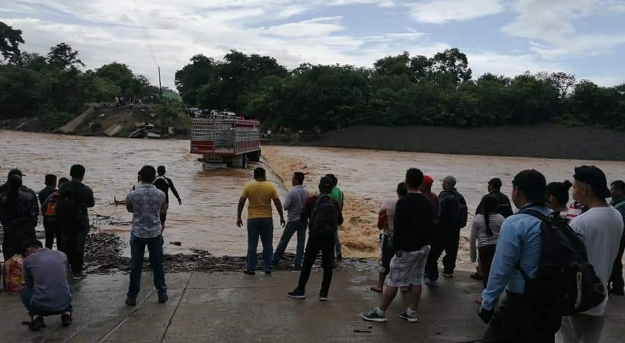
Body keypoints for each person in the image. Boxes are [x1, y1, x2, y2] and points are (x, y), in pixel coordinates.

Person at [479, 169, 561, 343]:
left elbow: (501, 268)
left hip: (520, 305)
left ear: (517, 191)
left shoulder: (516, 223)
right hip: (551, 303)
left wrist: (487, 303)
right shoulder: (555, 219)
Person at [557, 166, 624, 343]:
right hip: (600, 296)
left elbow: (567, 260)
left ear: (584, 189)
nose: (572, 190)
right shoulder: (617, 216)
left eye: (574, 186)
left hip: (576, 298)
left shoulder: (580, 222)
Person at [361, 168, 433, 323]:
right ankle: (412, 312)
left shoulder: (403, 202)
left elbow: (398, 228)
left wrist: (396, 248)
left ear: (406, 181)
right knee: (417, 279)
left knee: (393, 280)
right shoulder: (427, 203)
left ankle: (380, 312)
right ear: (420, 183)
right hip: (423, 247)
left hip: (406, 249)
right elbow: (430, 226)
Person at [288, 176, 344, 301]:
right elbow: (340, 221)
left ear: (319, 187)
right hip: (329, 238)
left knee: (308, 263)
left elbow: (303, 217)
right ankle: (323, 294)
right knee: (328, 265)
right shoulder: (334, 202)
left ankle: (301, 290)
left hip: (314, 236)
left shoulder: (312, 200)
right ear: (331, 189)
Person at [125, 165, 168, 306]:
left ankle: (132, 296)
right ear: (154, 178)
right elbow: (163, 209)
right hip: (155, 233)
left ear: (141, 178)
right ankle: (162, 294)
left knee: (136, 266)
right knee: (157, 265)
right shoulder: (161, 194)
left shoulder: (132, 194)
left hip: (137, 233)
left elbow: (129, 209)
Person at [237, 167, 285, 275]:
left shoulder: (248, 186)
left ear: (254, 175)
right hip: (267, 219)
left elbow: (241, 202)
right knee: (268, 244)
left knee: (252, 244)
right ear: (264, 175)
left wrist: (238, 217)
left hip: (252, 219)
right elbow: (277, 202)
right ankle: (267, 267)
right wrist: (281, 216)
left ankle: (251, 268)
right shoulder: (270, 186)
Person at [21, 239, 73, 331]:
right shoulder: (62, 254)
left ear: (29, 250)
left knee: (24, 291)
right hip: (64, 303)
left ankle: (37, 317)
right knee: (66, 283)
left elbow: (29, 285)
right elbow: (65, 274)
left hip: (42, 307)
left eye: (25, 254)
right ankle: (67, 313)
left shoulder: (28, 260)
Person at [426, 176, 467, 280]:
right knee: (452, 250)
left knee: (435, 251)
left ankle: (430, 271)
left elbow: (438, 211)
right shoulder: (460, 196)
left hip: (442, 228)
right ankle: (448, 271)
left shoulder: (444, 195)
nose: (442, 184)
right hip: (455, 228)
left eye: (443, 182)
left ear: (448, 184)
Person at [58, 165, 95, 280]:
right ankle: (77, 272)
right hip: (80, 222)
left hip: (64, 221)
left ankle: (63, 269)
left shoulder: (62, 186)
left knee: (65, 245)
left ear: (70, 173)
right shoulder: (86, 189)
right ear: (82, 175)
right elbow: (91, 204)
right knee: (78, 246)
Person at [472, 178, 513, 280]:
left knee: (483, 258)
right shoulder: (505, 198)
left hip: (485, 232)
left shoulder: (487, 197)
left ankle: (481, 272)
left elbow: (478, 212)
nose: (487, 186)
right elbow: (510, 215)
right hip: (500, 233)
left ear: (491, 185)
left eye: (488, 184)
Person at [371, 182, 408, 293]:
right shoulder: (409, 204)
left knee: (385, 260)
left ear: (397, 191)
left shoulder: (389, 202)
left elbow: (381, 217)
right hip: (405, 237)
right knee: (403, 261)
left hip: (389, 235)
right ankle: (404, 286)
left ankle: (380, 285)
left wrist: (380, 226)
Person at [469, 194, 503, 304]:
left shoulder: (477, 218)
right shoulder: (501, 218)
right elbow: (505, 236)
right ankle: (494, 296)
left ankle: (486, 297)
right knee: (495, 273)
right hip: (497, 249)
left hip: (483, 249)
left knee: (486, 273)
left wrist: (473, 256)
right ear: (496, 206)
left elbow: (473, 238)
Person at [272, 172, 310, 269]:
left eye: (293, 179)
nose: (292, 180)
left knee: (284, 241)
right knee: (301, 242)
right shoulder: (307, 193)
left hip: (292, 220)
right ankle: (298, 263)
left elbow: (285, 206)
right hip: (303, 220)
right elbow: (309, 206)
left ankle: (275, 260)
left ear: (296, 180)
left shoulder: (292, 192)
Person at [0, 175, 38, 260]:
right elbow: (33, 215)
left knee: (11, 258)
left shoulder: (3, 197)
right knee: (28, 255)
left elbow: (2, 216)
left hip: (10, 231)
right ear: (21, 184)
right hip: (26, 230)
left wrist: (9, 223)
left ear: (9, 184)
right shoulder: (28, 196)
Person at [609, 180, 625, 296]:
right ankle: (617, 285)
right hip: (617, 236)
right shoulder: (615, 202)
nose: (611, 192)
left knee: (614, 260)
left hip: (619, 237)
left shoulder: (622, 205)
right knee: (616, 260)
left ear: (619, 191)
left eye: (613, 190)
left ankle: (616, 285)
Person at [325, 174, 344, 261]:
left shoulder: (331, 192)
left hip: (330, 216)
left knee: (329, 236)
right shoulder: (339, 191)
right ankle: (338, 253)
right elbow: (341, 204)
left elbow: (328, 205)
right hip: (336, 215)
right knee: (335, 235)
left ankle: (331, 255)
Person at [39, 174, 59, 249]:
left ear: (45, 182)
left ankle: (47, 254)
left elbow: (43, 206)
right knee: (59, 239)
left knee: (48, 240)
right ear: (55, 183)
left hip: (46, 218)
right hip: (56, 219)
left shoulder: (41, 193)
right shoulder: (56, 192)